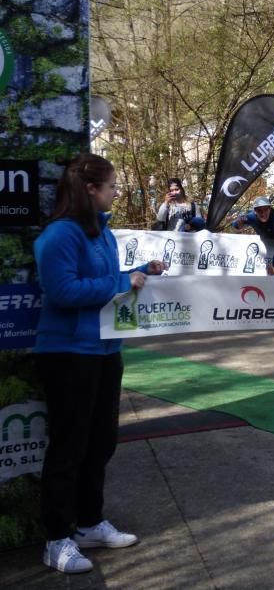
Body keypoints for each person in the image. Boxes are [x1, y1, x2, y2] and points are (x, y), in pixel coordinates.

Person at [32, 153, 165, 575]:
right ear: (90, 189)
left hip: (106, 351)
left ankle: (89, 523)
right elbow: (64, 292)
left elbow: (106, 282)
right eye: (110, 186)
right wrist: (121, 282)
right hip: (68, 355)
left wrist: (141, 271)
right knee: (68, 449)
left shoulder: (101, 233)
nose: (116, 192)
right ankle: (56, 540)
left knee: (101, 443)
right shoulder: (58, 236)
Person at [231, 196, 274, 274]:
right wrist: (238, 226)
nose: (263, 214)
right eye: (259, 211)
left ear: (270, 208)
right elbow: (234, 224)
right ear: (255, 211)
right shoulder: (251, 217)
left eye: (266, 210)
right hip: (267, 244)